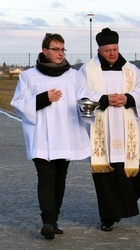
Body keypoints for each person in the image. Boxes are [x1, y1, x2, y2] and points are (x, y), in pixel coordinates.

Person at [10, 33, 93, 240]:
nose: (60, 53)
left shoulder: (74, 76)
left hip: (65, 135)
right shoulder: (29, 77)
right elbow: (18, 103)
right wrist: (43, 98)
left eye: (63, 49)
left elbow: (86, 97)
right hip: (42, 137)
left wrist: (88, 105)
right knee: (46, 177)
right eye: (55, 49)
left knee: (60, 179)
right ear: (44, 51)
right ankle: (47, 221)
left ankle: (53, 220)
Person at [79, 27, 140, 232]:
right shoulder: (88, 70)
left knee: (134, 178)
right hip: (101, 130)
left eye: (115, 49)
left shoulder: (131, 70)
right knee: (105, 176)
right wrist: (104, 99)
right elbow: (80, 93)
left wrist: (128, 98)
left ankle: (123, 203)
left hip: (127, 129)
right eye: (107, 50)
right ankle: (108, 216)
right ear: (99, 51)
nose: (112, 53)